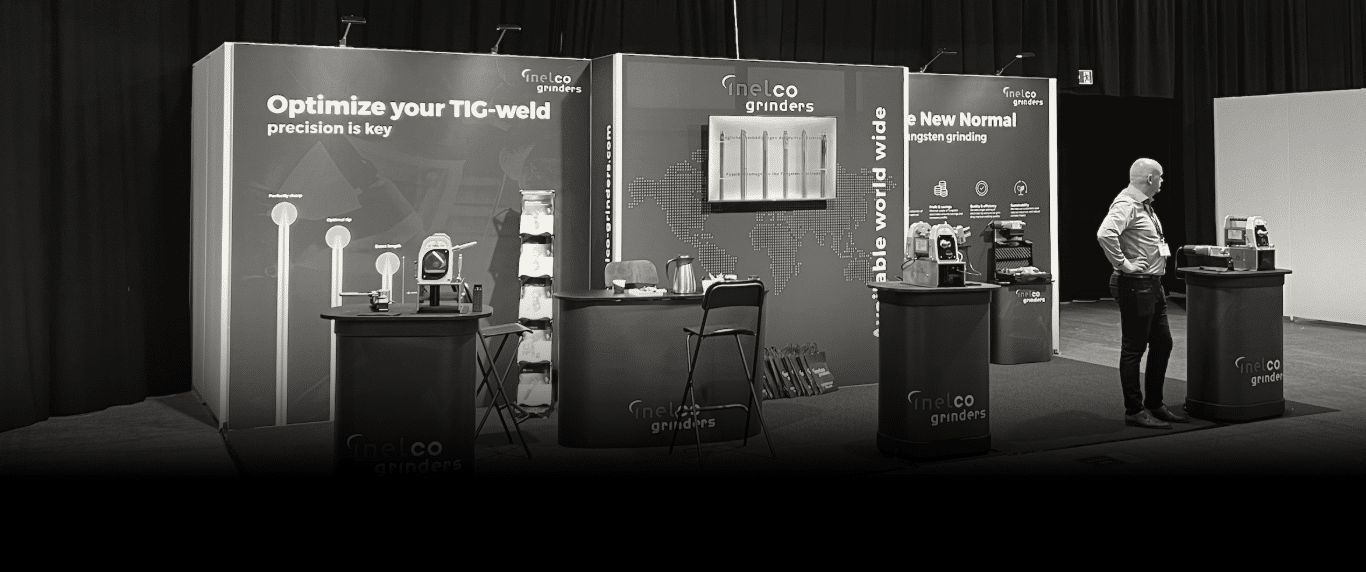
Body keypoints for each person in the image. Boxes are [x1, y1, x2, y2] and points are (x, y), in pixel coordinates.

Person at [1095, 158, 1189, 429]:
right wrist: (1124, 264)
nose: (1162, 181)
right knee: (1134, 348)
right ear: (1150, 179)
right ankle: (1134, 410)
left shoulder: (1144, 206)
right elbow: (1105, 234)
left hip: (1152, 285)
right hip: (1136, 285)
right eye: (1160, 177)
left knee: (1163, 343)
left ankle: (1155, 404)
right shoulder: (1127, 204)